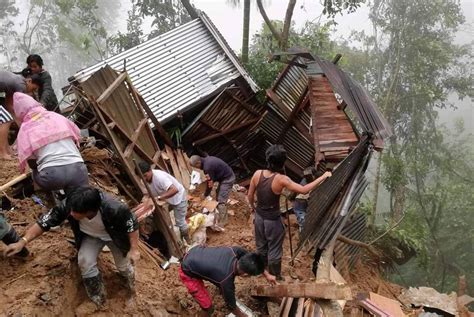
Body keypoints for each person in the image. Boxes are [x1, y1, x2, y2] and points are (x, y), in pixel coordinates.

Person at [4, 187, 140, 307]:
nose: (71, 214)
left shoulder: (115, 209)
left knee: (124, 265)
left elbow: (132, 225)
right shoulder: (70, 205)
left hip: (115, 236)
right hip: (90, 236)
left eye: (76, 212)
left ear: (90, 211)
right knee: (85, 261)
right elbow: (44, 222)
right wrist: (22, 241)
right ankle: (99, 298)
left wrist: (134, 250)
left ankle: (131, 287)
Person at [247, 145, 332, 280]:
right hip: (273, 222)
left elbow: (250, 195)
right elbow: (303, 190)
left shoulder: (257, 174)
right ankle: (275, 277)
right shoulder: (281, 179)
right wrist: (323, 177)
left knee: (261, 247)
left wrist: (252, 207)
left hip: (259, 218)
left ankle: (261, 272)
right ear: (282, 162)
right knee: (274, 249)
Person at [13, 92, 89, 194]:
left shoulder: (25, 129)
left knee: (35, 172)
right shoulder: (56, 116)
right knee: (82, 200)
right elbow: (77, 138)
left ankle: (47, 194)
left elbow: (32, 164)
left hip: (52, 177)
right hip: (79, 172)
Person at [179, 245, 276, 317]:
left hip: (195, 252)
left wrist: (267, 275)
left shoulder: (234, 251)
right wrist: (244, 316)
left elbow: (253, 259)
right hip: (187, 270)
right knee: (208, 307)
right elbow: (231, 306)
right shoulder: (226, 281)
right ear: (245, 275)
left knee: (220, 283)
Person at [137, 161, 191, 244]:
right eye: (141, 177)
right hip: (167, 199)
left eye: (145, 175)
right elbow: (147, 194)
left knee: (180, 222)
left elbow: (174, 190)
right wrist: (144, 202)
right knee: (164, 220)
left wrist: (158, 197)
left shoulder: (159, 177)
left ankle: (188, 241)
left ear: (150, 170)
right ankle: (178, 241)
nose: (144, 179)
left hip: (179, 197)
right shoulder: (143, 181)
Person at [0, 72, 41, 159]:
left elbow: (9, 106)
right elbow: (21, 107)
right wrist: (24, 126)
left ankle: (8, 150)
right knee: (6, 120)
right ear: (29, 81)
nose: (31, 92)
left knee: (7, 119)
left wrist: (20, 123)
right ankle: (2, 153)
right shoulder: (21, 85)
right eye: (33, 89)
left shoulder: (15, 82)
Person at [189, 155, 235, 227]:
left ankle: (223, 221)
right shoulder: (207, 160)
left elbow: (210, 185)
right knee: (218, 193)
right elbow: (211, 180)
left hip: (228, 179)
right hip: (225, 176)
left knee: (221, 200)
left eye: (196, 166)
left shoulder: (207, 167)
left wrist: (205, 195)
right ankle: (220, 212)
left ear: (198, 162)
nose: (197, 168)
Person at [288, 167, 322, 232]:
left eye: (309, 176)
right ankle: (302, 232)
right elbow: (298, 191)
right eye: (306, 176)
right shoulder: (304, 182)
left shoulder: (317, 180)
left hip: (307, 204)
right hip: (300, 204)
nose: (307, 177)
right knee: (302, 219)